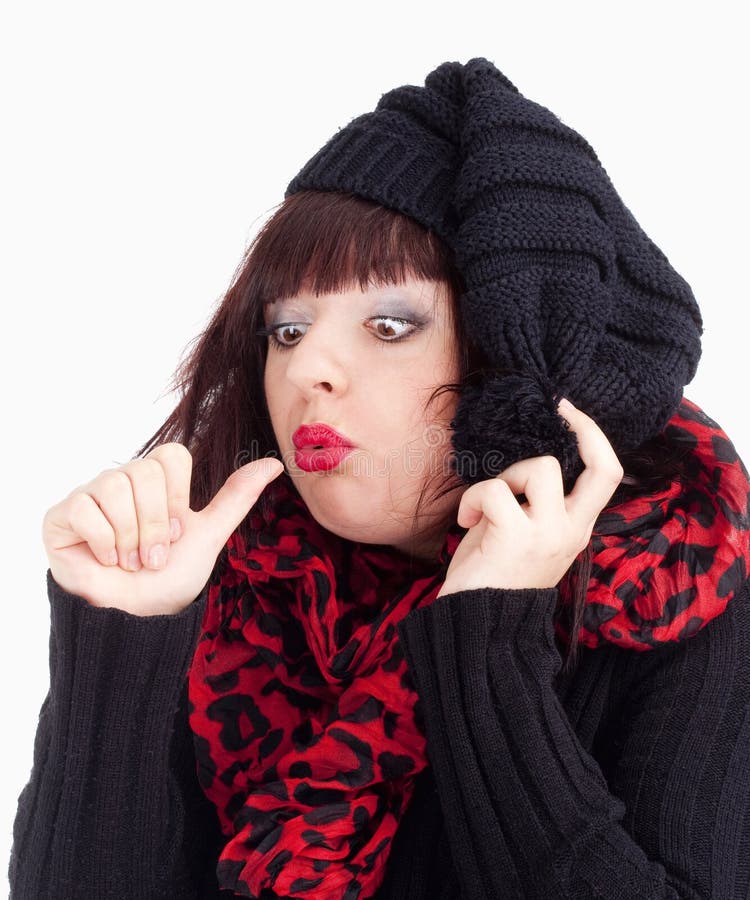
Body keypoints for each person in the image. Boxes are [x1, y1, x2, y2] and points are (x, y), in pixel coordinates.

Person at [8, 56, 750, 900]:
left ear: (517, 358)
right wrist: (121, 641)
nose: (307, 369)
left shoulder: (687, 591)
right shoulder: (239, 593)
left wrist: (487, 645)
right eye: (285, 330)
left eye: (390, 323)